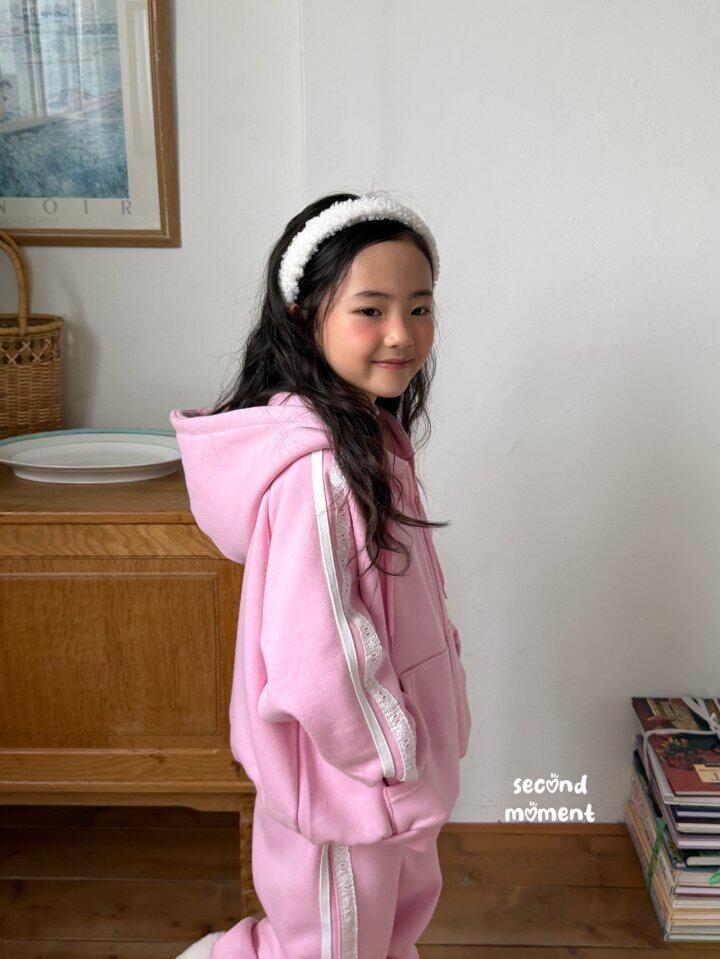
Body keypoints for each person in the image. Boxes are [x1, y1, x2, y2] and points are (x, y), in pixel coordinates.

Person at [170, 190, 472, 959]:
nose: (402, 332)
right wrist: (393, 756)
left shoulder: (371, 435)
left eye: (420, 307)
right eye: (370, 310)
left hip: (388, 776)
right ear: (304, 316)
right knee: (331, 944)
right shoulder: (320, 472)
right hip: (345, 782)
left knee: (391, 928)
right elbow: (318, 653)